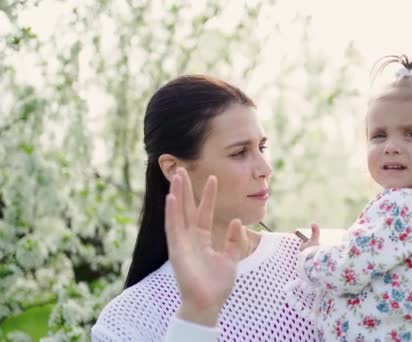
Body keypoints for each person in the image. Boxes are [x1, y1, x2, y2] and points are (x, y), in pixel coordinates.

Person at [92, 75, 317, 341]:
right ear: (175, 169)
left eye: (262, 147)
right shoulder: (128, 322)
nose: (265, 169)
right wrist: (197, 314)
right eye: (239, 153)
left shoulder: (310, 262)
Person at [285, 55, 412, 341]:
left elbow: (349, 269)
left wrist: (311, 256)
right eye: (378, 135)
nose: (391, 146)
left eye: (411, 134)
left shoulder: (405, 206)